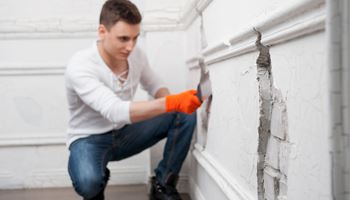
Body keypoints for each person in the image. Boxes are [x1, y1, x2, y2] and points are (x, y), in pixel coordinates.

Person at [64, 0, 202, 199]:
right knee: (88, 183)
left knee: (184, 115)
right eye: (123, 38)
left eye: (135, 38)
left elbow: (155, 85)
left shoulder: (136, 55)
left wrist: (176, 103)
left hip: (125, 133)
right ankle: (98, 177)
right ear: (102, 31)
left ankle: (163, 185)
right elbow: (114, 110)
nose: (130, 46)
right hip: (89, 139)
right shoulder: (80, 66)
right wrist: (173, 102)